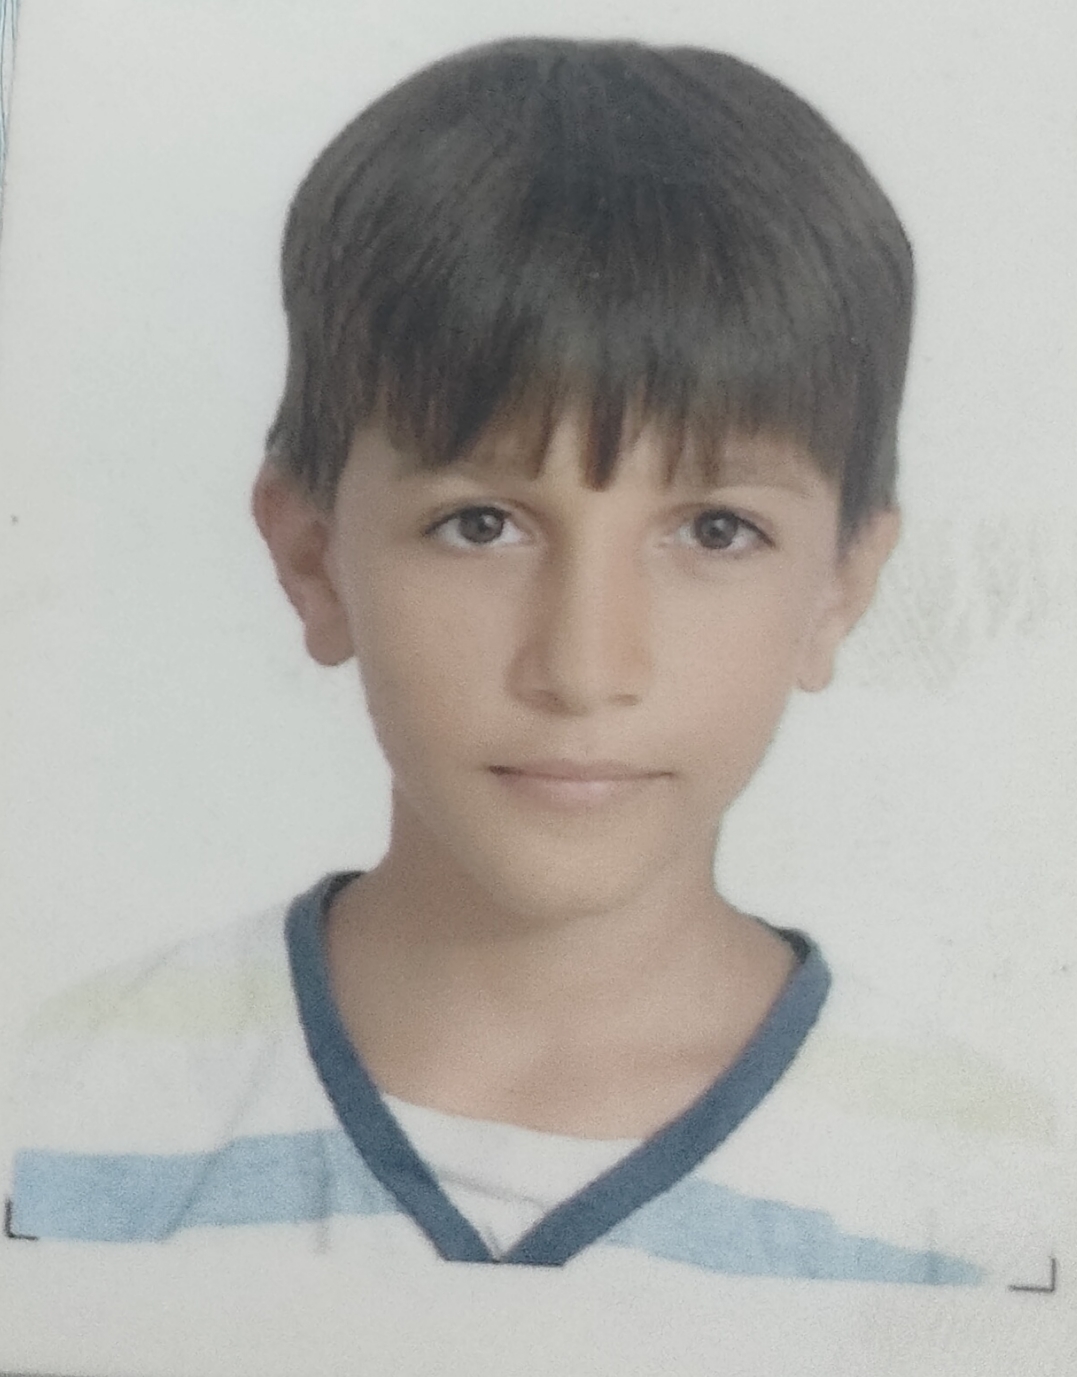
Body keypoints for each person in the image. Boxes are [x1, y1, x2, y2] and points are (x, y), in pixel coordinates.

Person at [4, 37, 993, 1281]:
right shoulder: (55, 1117)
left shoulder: (992, 1202)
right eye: (481, 525)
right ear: (312, 557)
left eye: (714, 530)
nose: (584, 668)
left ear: (840, 584)